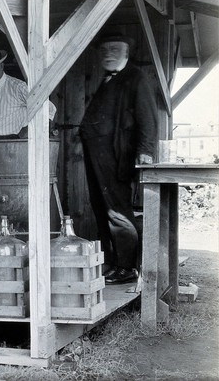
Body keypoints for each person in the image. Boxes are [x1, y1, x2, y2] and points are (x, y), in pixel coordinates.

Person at [80, 34, 158, 284]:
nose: (109, 54)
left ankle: (127, 268)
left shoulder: (136, 78)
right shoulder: (108, 79)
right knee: (102, 210)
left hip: (117, 158)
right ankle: (115, 263)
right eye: (104, 49)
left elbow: (148, 118)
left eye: (115, 48)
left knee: (117, 212)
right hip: (98, 158)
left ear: (127, 51)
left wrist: (145, 151)